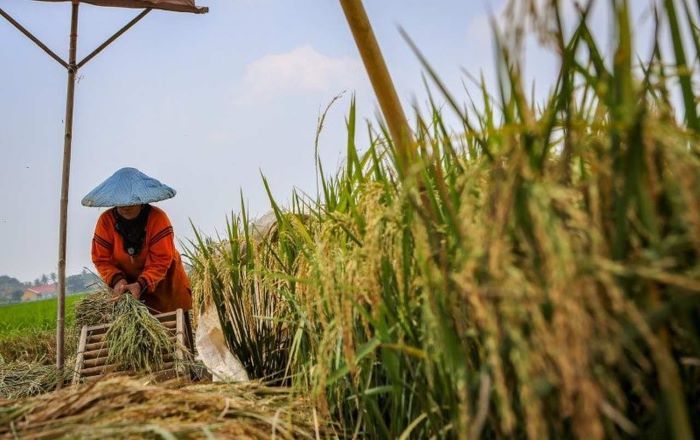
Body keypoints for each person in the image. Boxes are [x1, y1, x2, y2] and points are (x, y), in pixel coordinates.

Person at [82, 167, 192, 313]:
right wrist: (118, 281)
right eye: (122, 201)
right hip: (129, 293)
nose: (126, 205)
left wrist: (141, 284)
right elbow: (101, 259)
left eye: (131, 200)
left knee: (176, 331)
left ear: (141, 199)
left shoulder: (158, 219)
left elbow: (161, 260)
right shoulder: (106, 222)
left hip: (167, 289)